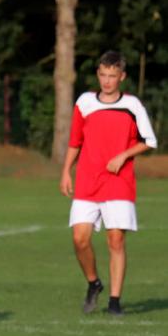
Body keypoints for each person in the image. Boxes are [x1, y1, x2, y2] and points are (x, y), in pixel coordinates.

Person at [59, 51, 157, 315]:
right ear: (98, 74)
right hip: (87, 181)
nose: (107, 81)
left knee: (115, 241)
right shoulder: (85, 102)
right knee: (79, 239)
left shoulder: (133, 105)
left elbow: (149, 141)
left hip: (118, 183)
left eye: (112, 76)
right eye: (103, 75)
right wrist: (66, 171)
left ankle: (114, 302)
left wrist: (123, 155)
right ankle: (94, 283)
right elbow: (75, 141)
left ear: (122, 77)